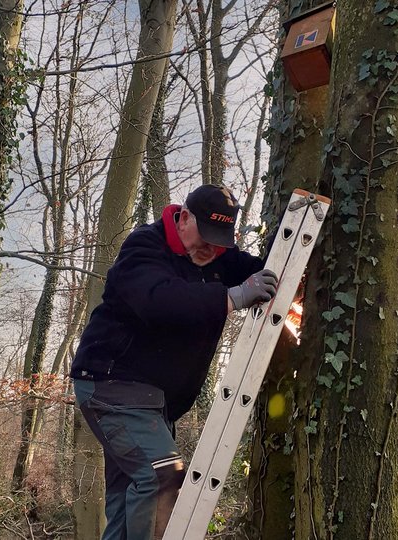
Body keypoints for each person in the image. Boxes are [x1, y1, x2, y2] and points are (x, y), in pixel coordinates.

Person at [71, 184, 277, 540]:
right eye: (204, 238)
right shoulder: (145, 248)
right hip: (112, 385)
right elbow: (159, 301)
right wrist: (234, 296)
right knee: (161, 475)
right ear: (183, 219)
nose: (210, 249)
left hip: (155, 406)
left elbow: (263, 271)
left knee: (125, 503)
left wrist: (283, 258)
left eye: (219, 242)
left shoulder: (217, 257)